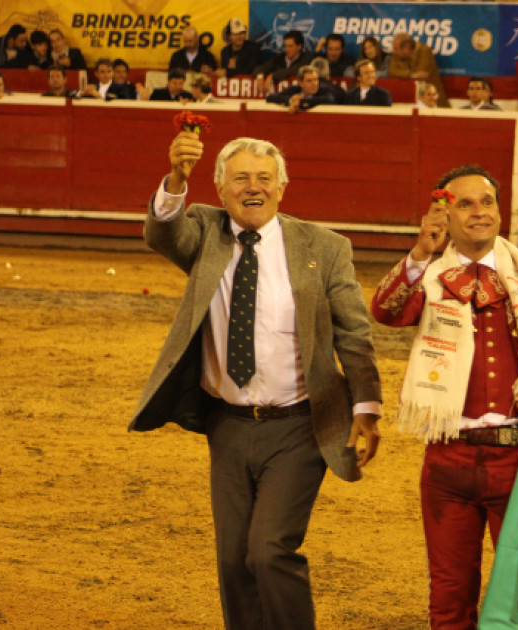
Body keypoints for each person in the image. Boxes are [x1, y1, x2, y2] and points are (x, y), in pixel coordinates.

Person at [130, 133, 383, 630]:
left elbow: (354, 333)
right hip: (227, 424)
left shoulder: (324, 247)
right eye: (240, 178)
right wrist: (177, 178)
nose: (254, 188)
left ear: (282, 188)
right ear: (220, 189)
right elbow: (164, 233)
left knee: (268, 551)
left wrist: (366, 409)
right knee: (232, 562)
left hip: (299, 425)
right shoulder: (205, 232)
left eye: (264, 178)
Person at [371, 164, 518, 629]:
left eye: (487, 201)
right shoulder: (429, 274)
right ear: (445, 214)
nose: (479, 212)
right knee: (449, 594)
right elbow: (385, 310)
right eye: (465, 203)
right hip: (447, 459)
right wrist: (419, 252)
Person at [389, 33, 449, 108]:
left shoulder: (424, 51)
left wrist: (405, 73)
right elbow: (392, 72)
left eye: (396, 49)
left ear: (406, 48)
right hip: (413, 102)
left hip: (434, 102)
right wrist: (410, 75)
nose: (394, 52)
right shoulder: (397, 56)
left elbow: (421, 76)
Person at [253, 30, 311, 95]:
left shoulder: (306, 58)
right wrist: (260, 76)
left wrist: (273, 76)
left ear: (299, 46)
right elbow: (261, 68)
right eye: (285, 46)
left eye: (290, 46)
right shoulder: (279, 58)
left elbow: (294, 70)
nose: (286, 49)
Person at [266, 65, 334, 111]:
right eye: (309, 81)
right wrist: (291, 100)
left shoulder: (323, 89)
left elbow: (329, 99)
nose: (314, 83)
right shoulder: (295, 89)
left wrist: (301, 102)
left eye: (316, 79)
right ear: (301, 83)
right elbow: (270, 97)